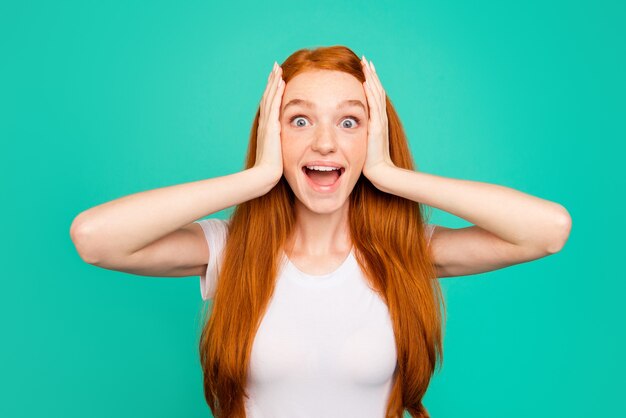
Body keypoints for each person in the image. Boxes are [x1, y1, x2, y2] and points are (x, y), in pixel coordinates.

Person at [69, 45, 572, 418]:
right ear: (272, 134)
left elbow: (548, 230)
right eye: (300, 120)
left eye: (350, 123)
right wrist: (253, 179)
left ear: (373, 137)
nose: (326, 143)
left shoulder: (406, 252)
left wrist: (392, 174)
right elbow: (93, 238)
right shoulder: (229, 250)